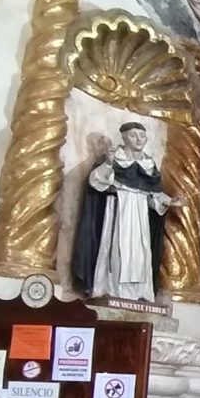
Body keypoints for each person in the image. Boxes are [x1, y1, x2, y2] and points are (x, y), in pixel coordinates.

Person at [78, 119, 171, 305]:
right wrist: (109, 164)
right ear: (124, 137)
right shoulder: (115, 159)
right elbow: (96, 182)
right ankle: (112, 289)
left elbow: (152, 196)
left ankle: (139, 293)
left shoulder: (149, 165)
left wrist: (169, 201)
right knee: (118, 252)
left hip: (140, 216)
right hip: (120, 210)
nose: (139, 139)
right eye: (134, 135)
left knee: (141, 253)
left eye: (142, 135)